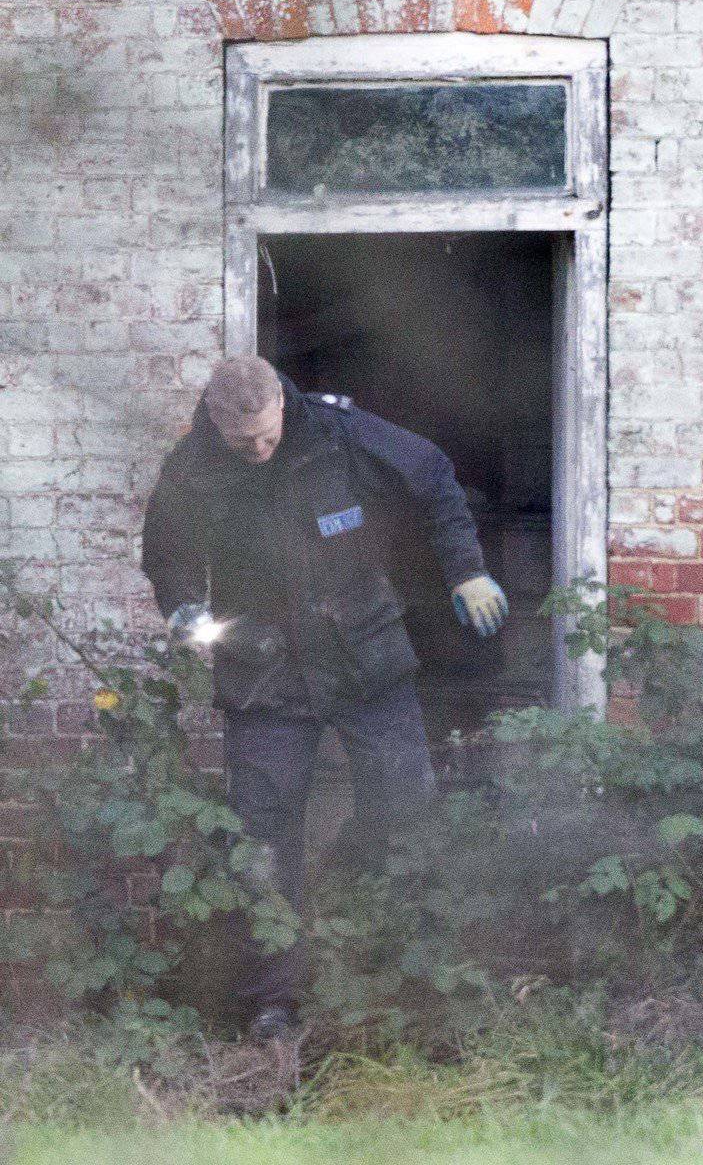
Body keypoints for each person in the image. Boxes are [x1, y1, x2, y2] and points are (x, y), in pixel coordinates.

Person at [139, 354, 509, 1040]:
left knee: (406, 808)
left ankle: (409, 978)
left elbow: (433, 478)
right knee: (264, 840)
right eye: (241, 442)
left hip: (364, 654)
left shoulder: (344, 434)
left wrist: (467, 572)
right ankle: (272, 1003)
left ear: (281, 402)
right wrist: (183, 607)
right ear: (215, 423)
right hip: (264, 670)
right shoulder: (192, 468)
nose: (257, 452)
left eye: (268, 437)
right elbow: (166, 553)